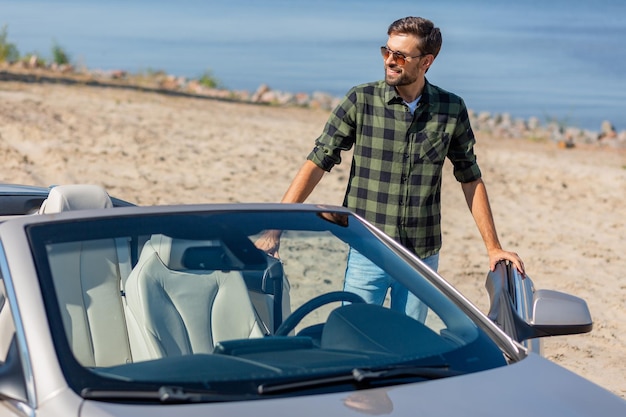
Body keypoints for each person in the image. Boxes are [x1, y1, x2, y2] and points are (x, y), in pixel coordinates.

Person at [258, 16, 524, 320]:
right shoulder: (362, 100)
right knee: (355, 335)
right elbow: (318, 162)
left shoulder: (451, 109)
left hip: (421, 256)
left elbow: (470, 178)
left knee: (412, 344)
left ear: (426, 62)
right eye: (386, 51)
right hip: (366, 249)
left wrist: (493, 247)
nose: (390, 61)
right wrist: (274, 228)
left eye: (400, 56)